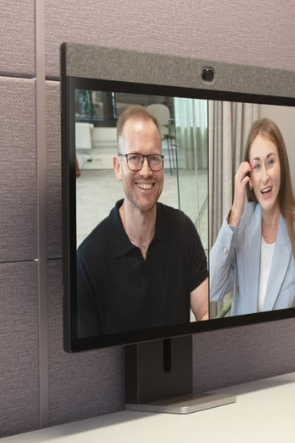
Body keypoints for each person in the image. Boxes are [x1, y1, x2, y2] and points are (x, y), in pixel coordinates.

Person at [76, 105, 209, 337]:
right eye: (135, 158)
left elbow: (205, 313)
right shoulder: (88, 260)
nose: (146, 171)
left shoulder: (184, 230)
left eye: (154, 158)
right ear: (117, 167)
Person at [209, 118, 295, 314]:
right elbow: (214, 289)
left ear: (283, 167)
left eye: (270, 162)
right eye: (256, 166)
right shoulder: (240, 226)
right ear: (249, 177)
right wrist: (236, 211)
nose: (265, 177)